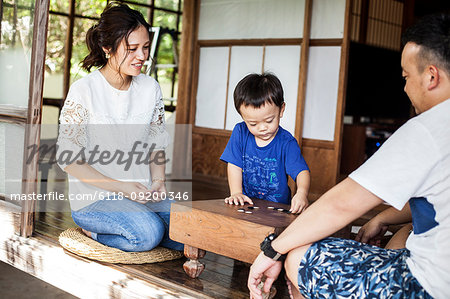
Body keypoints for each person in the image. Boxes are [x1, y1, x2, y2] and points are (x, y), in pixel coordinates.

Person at [248, 12, 450, 299]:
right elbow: (437, 201)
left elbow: (341, 204)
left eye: (406, 77)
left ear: (431, 76)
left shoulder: (428, 129)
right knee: (403, 232)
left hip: (431, 287)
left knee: (298, 255)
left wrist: (272, 248)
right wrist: (383, 218)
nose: (404, 87)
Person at [56, 2, 182, 252]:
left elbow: (156, 141)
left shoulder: (150, 88)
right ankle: (93, 231)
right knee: (148, 233)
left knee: (188, 231)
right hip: (95, 199)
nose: (142, 56)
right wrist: (122, 186)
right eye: (132, 49)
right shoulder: (85, 91)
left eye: (146, 47)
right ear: (107, 48)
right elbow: (68, 159)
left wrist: (158, 181)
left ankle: (142, 224)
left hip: (141, 194)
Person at [220, 73, 310, 214]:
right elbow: (234, 165)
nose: (262, 128)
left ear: (281, 110)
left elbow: (301, 172)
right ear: (242, 116)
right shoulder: (240, 132)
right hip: (247, 203)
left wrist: (302, 193)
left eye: (269, 121)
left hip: (277, 208)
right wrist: (236, 192)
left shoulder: (287, 142)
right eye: (253, 123)